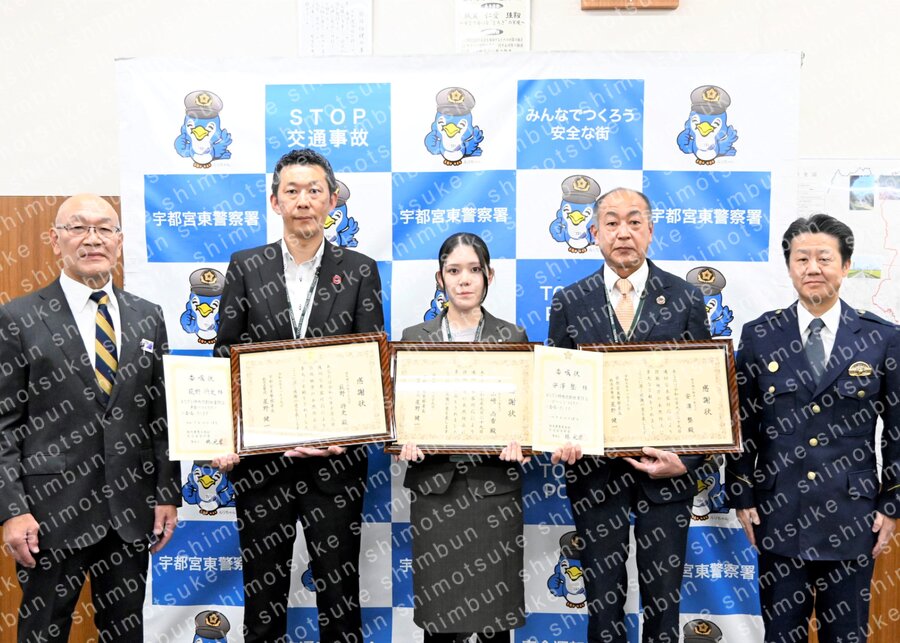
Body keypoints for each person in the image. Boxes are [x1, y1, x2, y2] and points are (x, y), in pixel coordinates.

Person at [212, 148, 384, 643]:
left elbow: (370, 360)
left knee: (339, 597)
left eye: (314, 190)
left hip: (335, 464)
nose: (303, 200)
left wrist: (348, 435)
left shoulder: (359, 270)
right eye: (292, 191)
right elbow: (225, 354)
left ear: (332, 200)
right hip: (263, 464)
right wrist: (235, 435)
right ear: (275, 201)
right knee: (262, 601)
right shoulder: (246, 266)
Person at [0, 194, 180, 642]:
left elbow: (162, 415)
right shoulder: (19, 318)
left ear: (119, 240)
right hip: (48, 513)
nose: (92, 239)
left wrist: (167, 493)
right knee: (42, 633)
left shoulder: (147, 316)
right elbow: (4, 425)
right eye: (78, 227)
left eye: (104, 228)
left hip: (130, 510)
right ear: (54, 239)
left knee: (125, 633)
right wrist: (12, 511)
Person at [725, 214, 900, 643]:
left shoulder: (881, 338)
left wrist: (892, 503)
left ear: (845, 265)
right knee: (781, 634)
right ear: (789, 267)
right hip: (779, 512)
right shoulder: (761, 335)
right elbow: (743, 421)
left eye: (824, 258)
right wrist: (743, 495)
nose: (812, 268)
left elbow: (896, 429)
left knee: (847, 635)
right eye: (801, 259)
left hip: (852, 516)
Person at [547, 187, 711, 643]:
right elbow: (558, 385)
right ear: (594, 233)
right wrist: (559, 436)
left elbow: (706, 392)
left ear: (650, 231)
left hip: (667, 474)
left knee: (664, 604)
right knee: (603, 605)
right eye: (612, 222)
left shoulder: (685, 298)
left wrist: (687, 462)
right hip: (595, 476)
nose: (624, 233)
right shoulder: (569, 300)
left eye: (634, 222)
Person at [399, 232, 529, 643]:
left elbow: (524, 413)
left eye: (474, 270)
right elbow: (401, 412)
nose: (464, 280)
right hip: (435, 493)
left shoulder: (512, 337)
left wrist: (523, 442)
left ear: (489, 275)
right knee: (439, 623)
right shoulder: (414, 337)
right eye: (454, 271)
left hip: (494, 492)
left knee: (495, 624)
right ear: (440, 279)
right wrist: (403, 438)